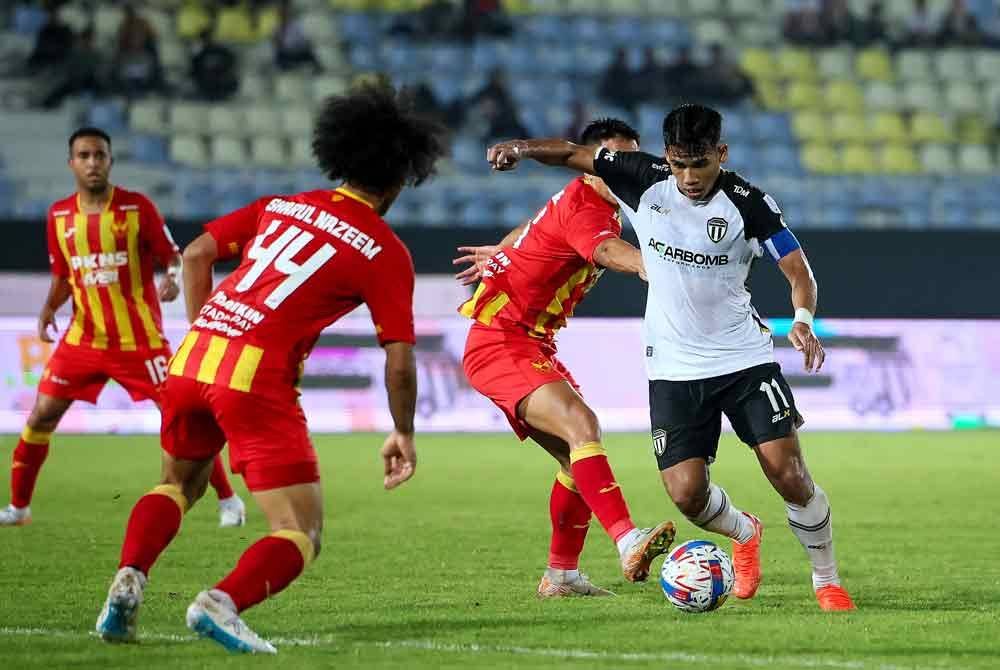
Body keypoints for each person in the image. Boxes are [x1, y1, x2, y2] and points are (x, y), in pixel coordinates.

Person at [95, 84, 446, 653]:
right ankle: (220, 602)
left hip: (194, 357)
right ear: (403, 175)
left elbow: (195, 254)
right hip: (255, 379)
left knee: (176, 485)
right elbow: (399, 357)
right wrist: (404, 429)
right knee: (300, 530)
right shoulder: (383, 250)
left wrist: (205, 324)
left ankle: (128, 581)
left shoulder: (281, 205)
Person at [485, 103, 856, 611]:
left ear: (720, 155)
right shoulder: (642, 176)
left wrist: (802, 322)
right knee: (686, 495)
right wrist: (520, 149)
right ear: (666, 156)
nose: (687, 177)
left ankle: (826, 580)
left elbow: (798, 272)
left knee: (788, 473)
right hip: (674, 367)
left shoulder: (751, 204)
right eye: (678, 164)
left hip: (743, 358)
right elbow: (573, 154)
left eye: (699, 165)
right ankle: (745, 531)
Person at [454, 118, 676, 598]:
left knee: (577, 458)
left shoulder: (582, 198)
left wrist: (510, 248)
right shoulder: (589, 209)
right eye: (614, 161)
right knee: (582, 424)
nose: (626, 171)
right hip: (501, 340)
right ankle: (627, 540)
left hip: (527, 341)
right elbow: (604, 250)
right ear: (589, 162)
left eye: (632, 161)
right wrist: (654, 266)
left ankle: (562, 576)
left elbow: (532, 226)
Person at [0, 127, 244, 529]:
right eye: (84, 156)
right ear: (71, 163)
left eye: (99, 155)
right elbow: (64, 274)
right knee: (41, 415)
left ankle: (229, 500)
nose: (92, 163)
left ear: (110, 160)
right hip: (83, 339)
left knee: (183, 419)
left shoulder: (136, 209)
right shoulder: (59, 215)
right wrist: (48, 309)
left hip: (140, 343)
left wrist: (171, 278)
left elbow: (173, 256)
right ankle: (19, 507)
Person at [190, 28, 238, 102]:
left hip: (222, 87)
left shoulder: (223, 52)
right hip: (205, 88)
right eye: (205, 39)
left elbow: (232, 67)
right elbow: (194, 72)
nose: (209, 40)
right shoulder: (199, 55)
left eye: (210, 38)